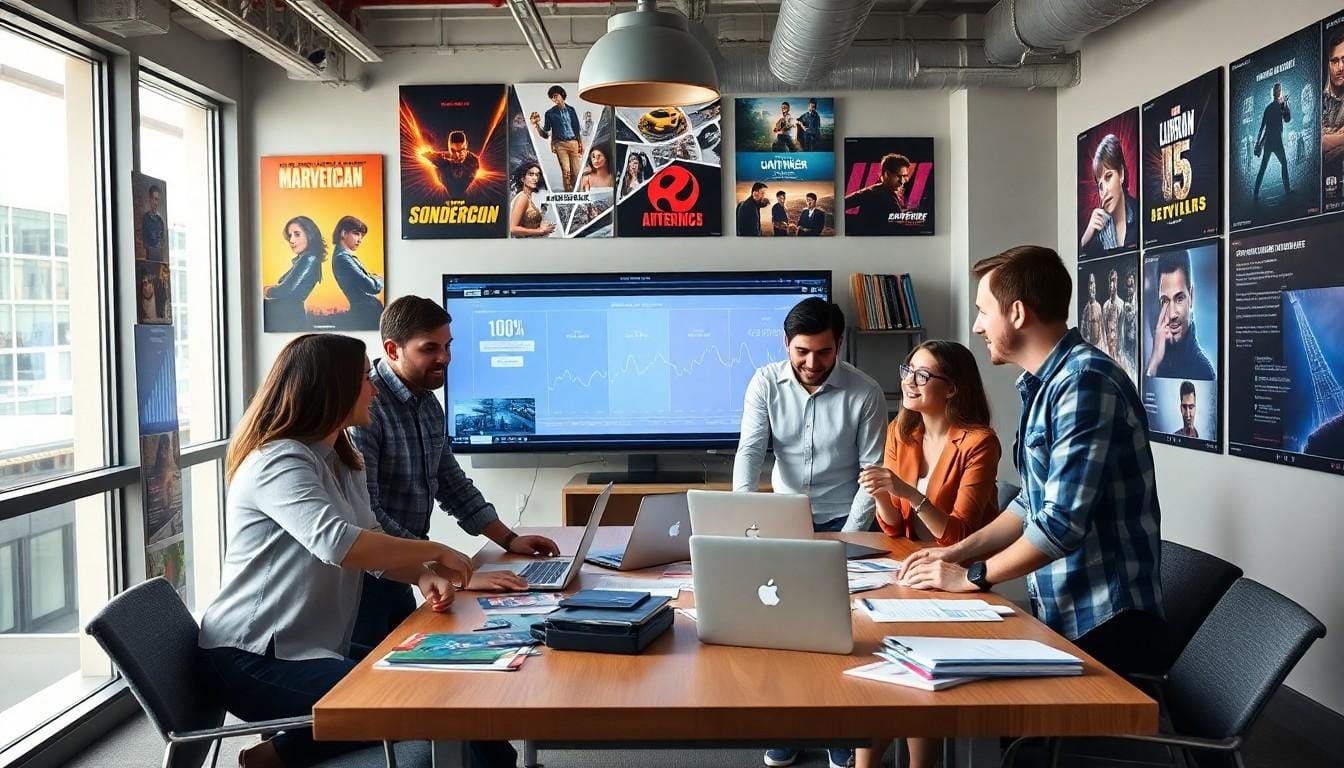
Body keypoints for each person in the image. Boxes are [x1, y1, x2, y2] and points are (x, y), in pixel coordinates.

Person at [197, 333, 517, 768]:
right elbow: (338, 543)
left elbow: (369, 539)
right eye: (366, 379)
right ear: (332, 389)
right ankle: (277, 756)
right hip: (249, 658)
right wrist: (435, 551)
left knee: (448, 689)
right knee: (425, 697)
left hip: (309, 650)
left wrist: (423, 573)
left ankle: (274, 756)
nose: (375, 389)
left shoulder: (342, 459)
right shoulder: (278, 461)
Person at [900, 244, 1165, 678]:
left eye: (984, 311)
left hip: (1107, 624)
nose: (977, 326)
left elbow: (1061, 523)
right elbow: (1030, 503)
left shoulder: (1084, 382)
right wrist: (954, 554)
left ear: (1017, 313)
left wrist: (972, 576)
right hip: (1068, 613)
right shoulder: (1046, 385)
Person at [350, 297, 560, 654]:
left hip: (407, 569)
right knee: (372, 675)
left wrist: (509, 539)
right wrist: (448, 570)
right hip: (368, 580)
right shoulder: (365, 408)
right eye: (430, 348)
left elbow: (451, 483)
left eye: (447, 346)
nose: (444, 358)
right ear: (392, 349)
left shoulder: (427, 402)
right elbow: (369, 515)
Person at [735, 299, 883, 768]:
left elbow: (872, 473)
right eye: (802, 351)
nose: (812, 363)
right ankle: (790, 728)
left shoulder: (866, 392)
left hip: (845, 519)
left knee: (840, 630)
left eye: (823, 352)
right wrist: (743, 519)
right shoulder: (765, 383)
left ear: (839, 344)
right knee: (781, 628)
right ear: (786, 344)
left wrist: (847, 540)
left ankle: (841, 731)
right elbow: (750, 451)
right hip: (784, 519)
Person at [856, 340, 1000, 768]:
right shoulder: (902, 432)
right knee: (880, 661)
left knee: (918, 672)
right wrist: (881, 494)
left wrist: (908, 492)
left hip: (957, 578)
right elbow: (893, 528)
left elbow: (958, 534)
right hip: (908, 567)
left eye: (922, 375)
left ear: (952, 388)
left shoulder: (979, 442)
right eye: (908, 370)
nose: (909, 382)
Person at [1145, 248, 1215, 381]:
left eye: (1179, 299)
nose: (1172, 314)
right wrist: (1154, 362)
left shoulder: (1204, 371)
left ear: (1191, 297)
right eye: (1165, 301)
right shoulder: (1155, 361)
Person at [1080, 134, 1138, 258]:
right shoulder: (1097, 232)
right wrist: (1086, 238)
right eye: (1100, 185)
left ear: (1121, 174)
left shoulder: (1140, 213)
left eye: (1108, 177)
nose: (1104, 190)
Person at [263, 215, 325, 331]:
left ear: (310, 235)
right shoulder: (306, 259)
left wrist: (267, 290)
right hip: (289, 317)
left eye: (297, 234)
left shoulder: (309, 259)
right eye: (290, 235)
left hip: (287, 318)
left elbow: (283, 290)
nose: (291, 240)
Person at [330, 215, 384, 329]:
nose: (360, 240)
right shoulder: (343, 258)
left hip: (366, 312)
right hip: (367, 313)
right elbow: (373, 287)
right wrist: (379, 279)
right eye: (356, 233)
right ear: (344, 233)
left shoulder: (344, 257)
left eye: (361, 236)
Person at [530, 85, 584, 191]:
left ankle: (579, 193)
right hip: (560, 144)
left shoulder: (571, 110)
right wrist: (537, 125)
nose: (554, 99)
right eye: (552, 97)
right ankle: (568, 194)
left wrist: (580, 143)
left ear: (562, 94)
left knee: (577, 172)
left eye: (556, 96)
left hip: (574, 143)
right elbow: (546, 134)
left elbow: (576, 128)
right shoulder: (550, 113)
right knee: (566, 172)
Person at [844, 153, 912, 233]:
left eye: (904, 176)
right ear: (887, 174)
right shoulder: (876, 193)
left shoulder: (875, 190)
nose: (902, 181)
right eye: (899, 176)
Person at [1253, 82, 1292, 201]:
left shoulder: (1277, 106)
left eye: (1278, 90)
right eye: (1276, 90)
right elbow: (1263, 128)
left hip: (1274, 141)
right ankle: (1256, 194)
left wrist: (1285, 106)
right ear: (1274, 92)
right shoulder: (1271, 108)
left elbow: (1287, 119)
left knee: (1278, 164)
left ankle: (1287, 191)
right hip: (1271, 141)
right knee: (1266, 167)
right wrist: (1258, 144)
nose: (1277, 92)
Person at [422, 130, 480, 199]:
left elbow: (461, 175)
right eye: (453, 151)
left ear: (466, 145)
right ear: (449, 148)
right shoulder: (442, 159)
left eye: (461, 150)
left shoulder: (473, 161)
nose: (457, 155)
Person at [508, 162, 556, 238]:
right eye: (531, 174)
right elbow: (513, 229)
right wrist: (540, 231)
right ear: (523, 178)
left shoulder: (528, 198)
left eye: (537, 175)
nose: (535, 178)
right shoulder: (523, 197)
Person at [1323, 26, 1344, 177]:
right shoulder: (1321, 99)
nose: (1340, 67)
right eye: (1335, 61)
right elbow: (1321, 143)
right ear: (1328, 64)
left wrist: (1334, 138)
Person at [1118, 271, 1139, 379]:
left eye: (1131, 286)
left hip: (1136, 342)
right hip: (1128, 342)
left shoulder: (1138, 301)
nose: (1129, 289)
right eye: (1127, 286)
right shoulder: (1126, 302)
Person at [1101, 269, 1122, 360]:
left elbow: (1121, 330)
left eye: (1114, 280)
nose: (1112, 284)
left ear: (1117, 282)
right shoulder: (1105, 306)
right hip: (1108, 350)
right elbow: (1103, 330)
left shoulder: (1121, 305)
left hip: (1119, 351)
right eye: (1110, 281)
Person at [142, 183, 166, 262]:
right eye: (154, 199)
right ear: (150, 199)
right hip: (149, 258)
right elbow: (144, 241)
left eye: (157, 199)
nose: (155, 202)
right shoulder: (145, 218)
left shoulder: (160, 220)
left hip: (159, 258)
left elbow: (163, 241)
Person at [1080, 272, 1103, 348]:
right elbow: (1082, 332)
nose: (1091, 287)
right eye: (1090, 284)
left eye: (1093, 284)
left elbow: (1102, 331)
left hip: (1098, 346)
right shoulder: (1086, 309)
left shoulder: (1098, 307)